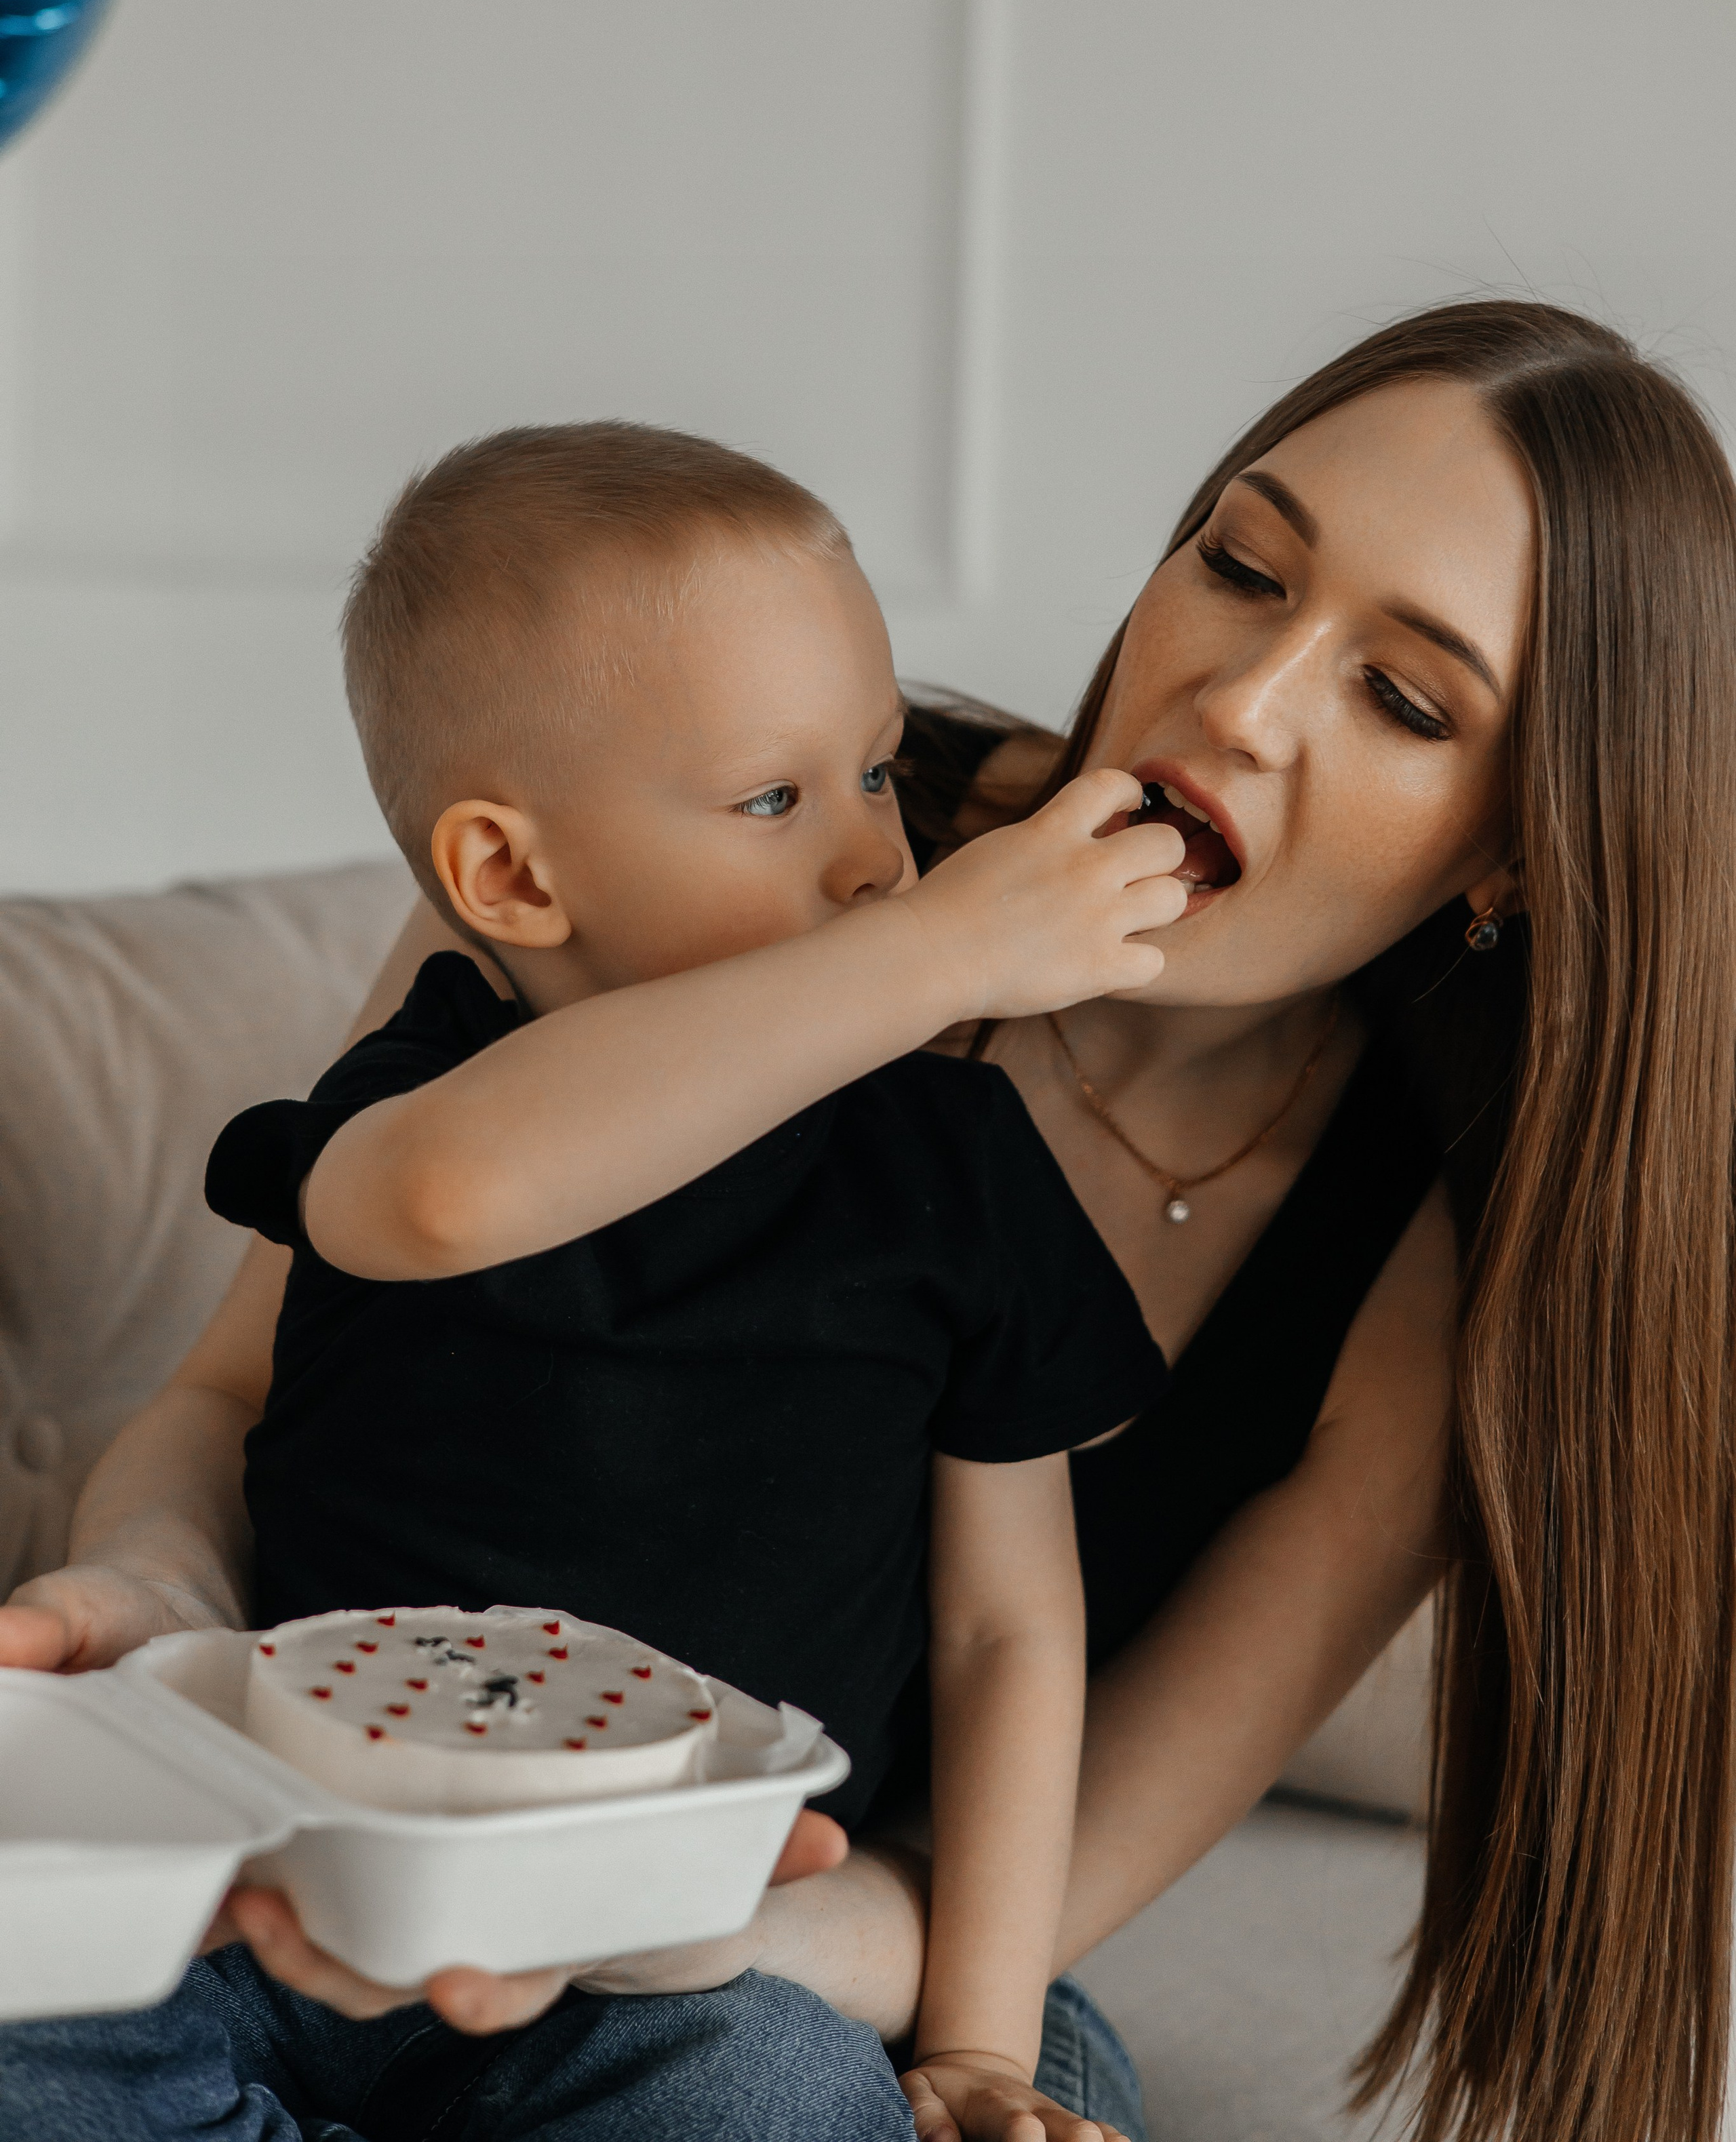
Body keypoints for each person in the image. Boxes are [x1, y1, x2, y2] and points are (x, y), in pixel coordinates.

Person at [4, 299, 1731, 2142]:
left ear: (1517, 847)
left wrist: (604, 1934)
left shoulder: (1429, 1263)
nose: (1241, 700)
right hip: (338, 1820)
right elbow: (271, 1355)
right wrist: (161, 1611)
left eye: (1402, 695)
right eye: (1239, 566)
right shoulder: (696, 810)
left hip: (795, 1943)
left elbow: (1021, 1839)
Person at [201, 422, 1172, 2133]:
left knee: (773, 2097)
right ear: (509, 876)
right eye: (773, 798)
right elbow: (429, 1201)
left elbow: (1009, 1630)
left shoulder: (946, 1166)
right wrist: (940, 947)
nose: (877, 861)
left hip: (677, 1977)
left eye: (878, 774)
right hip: (281, 1903)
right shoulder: (430, 1100)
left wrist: (982, 2045)